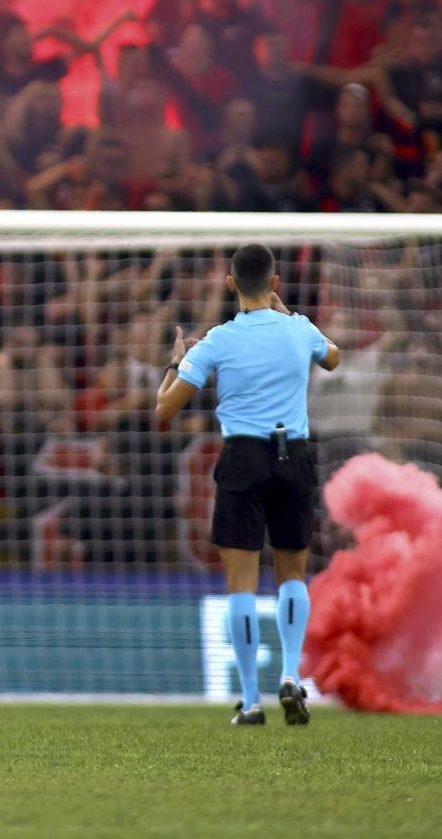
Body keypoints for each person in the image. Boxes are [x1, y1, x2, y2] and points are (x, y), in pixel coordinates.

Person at [154, 243, 341, 727]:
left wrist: (177, 362)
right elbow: (334, 359)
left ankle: (252, 701)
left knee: (240, 584)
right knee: (292, 576)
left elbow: (164, 411)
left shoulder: (217, 340)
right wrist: (289, 315)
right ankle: (291, 675)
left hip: (243, 460)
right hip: (293, 457)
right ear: (275, 282)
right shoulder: (300, 330)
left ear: (231, 283)